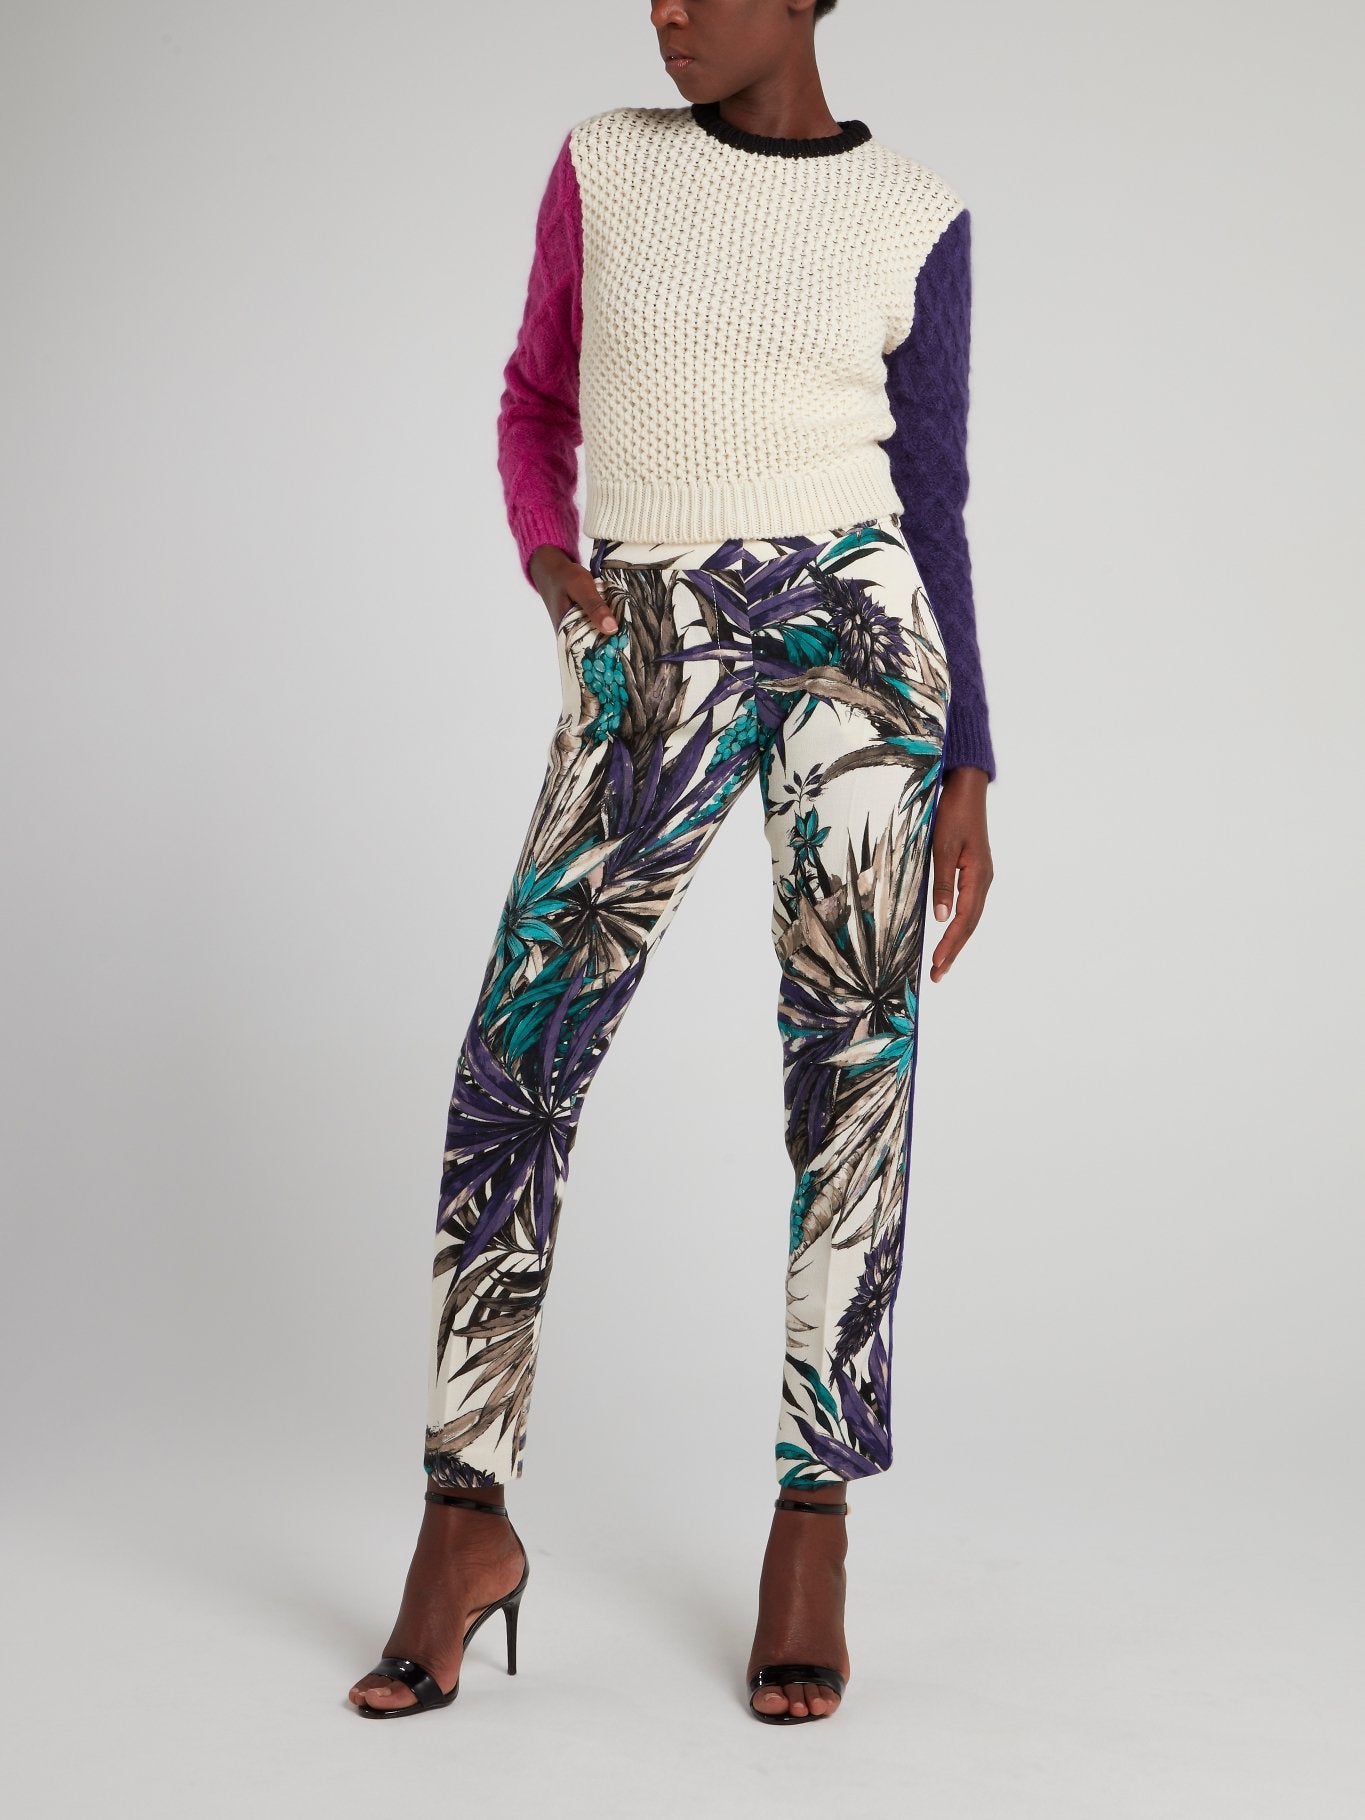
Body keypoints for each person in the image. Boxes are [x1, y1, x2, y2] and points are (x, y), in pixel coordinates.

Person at [349, 0, 996, 1726]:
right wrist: (552, 565)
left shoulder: (916, 212)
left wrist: (972, 756)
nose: (669, 8)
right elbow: (534, 398)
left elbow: (933, 501)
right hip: (652, 626)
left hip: (863, 642)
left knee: (851, 1070)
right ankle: (464, 1517)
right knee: (518, 1062)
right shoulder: (603, 164)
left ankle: (811, 1521)